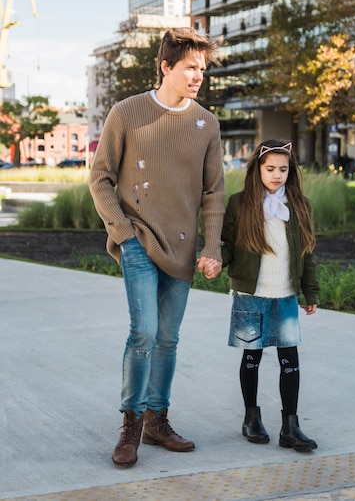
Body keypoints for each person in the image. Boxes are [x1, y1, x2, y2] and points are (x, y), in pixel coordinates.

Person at [89, 27, 225, 467]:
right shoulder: (127, 113)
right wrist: (123, 235)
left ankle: (156, 421)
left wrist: (214, 246)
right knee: (144, 333)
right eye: (190, 67)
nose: (198, 75)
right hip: (139, 242)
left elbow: (213, 193)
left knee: (168, 338)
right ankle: (130, 423)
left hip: (184, 249)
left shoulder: (207, 123)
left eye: (202, 69)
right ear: (165, 67)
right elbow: (101, 178)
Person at [221, 139, 319, 452]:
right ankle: (251, 418)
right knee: (252, 355)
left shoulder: (299, 205)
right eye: (270, 168)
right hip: (251, 292)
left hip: (286, 293)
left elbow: (308, 252)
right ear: (257, 169)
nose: (277, 174)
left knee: (290, 359)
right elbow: (227, 245)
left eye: (283, 169)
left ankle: (290, 426)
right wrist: (214, 259)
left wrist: (310, 290)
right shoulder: (239, 204)